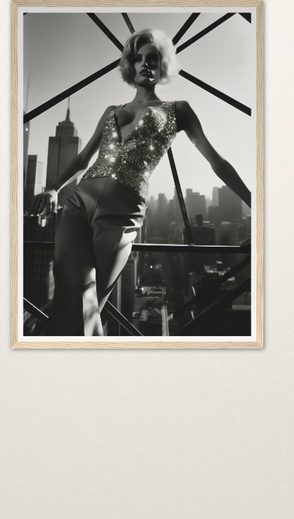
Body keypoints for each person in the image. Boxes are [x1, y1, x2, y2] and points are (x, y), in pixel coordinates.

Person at [38, 28, 250, 338]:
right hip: (78, 202)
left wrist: (255, 202)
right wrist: (54, 187)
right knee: (68, 297)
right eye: (136, 58)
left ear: (163, 64)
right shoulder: (112, 111)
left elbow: (215, 161)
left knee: (89, 301)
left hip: (123, 210)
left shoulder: (178, 110)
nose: (144, 64)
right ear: (128, 65)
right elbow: (84, 158)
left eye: (152, 58)